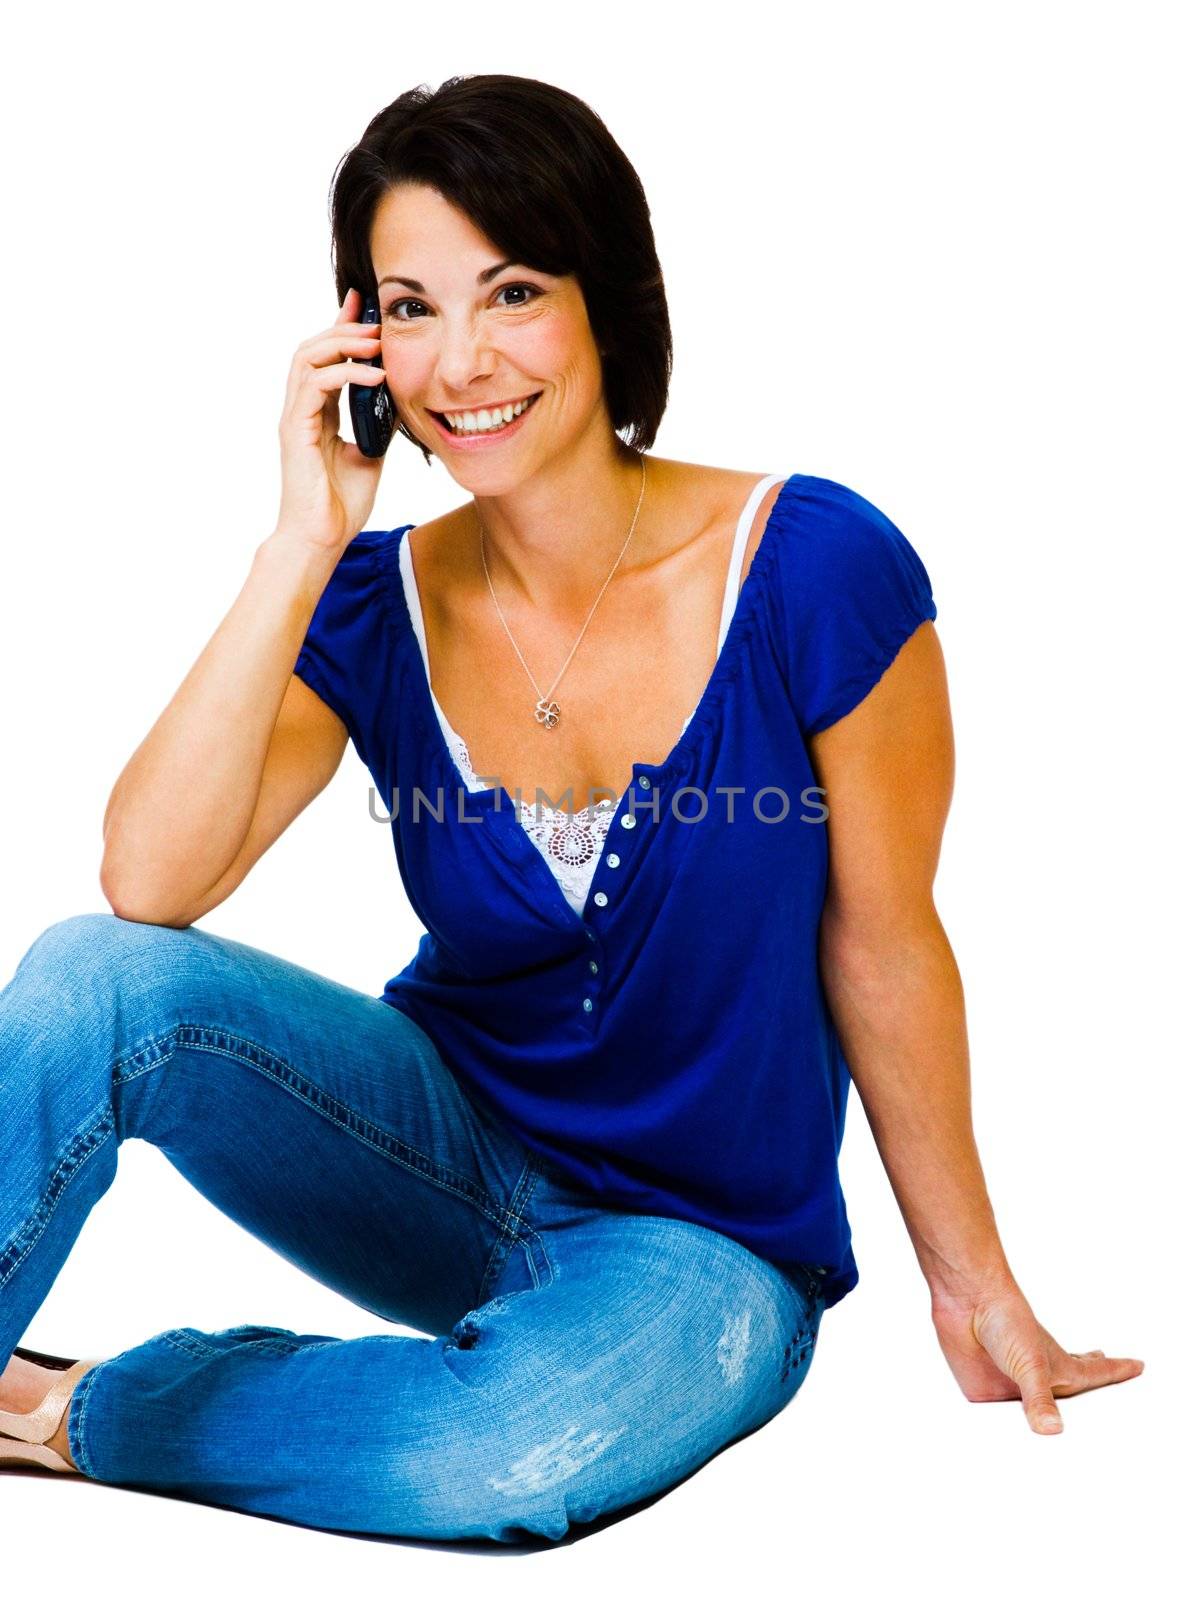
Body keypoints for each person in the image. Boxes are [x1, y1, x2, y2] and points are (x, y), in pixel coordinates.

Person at [1, 72, 1143, 1543]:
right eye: (408, 308)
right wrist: (299, 541)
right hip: (437, 1157)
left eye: (513, 291)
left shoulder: (812, 566)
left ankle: (60, 1408)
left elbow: (882, 939)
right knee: (97, 981)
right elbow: (145, 889)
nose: (460, 359)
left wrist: (974, 1282)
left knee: (504, 1462)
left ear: (608, 298)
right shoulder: (375, 601)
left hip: (702, 1249)